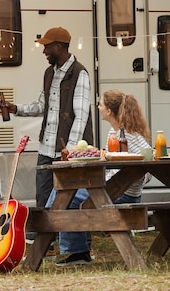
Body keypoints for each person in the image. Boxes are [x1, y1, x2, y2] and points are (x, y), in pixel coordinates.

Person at [51, 89, 151, 267]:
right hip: (117, 190)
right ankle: (76, 249)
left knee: (66, 196)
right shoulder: (116, 133)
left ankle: (74, 250)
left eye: (101, 104)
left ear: (109, 111)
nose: (98, 107)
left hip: (122, 194)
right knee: (65, 194)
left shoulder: (126, 135)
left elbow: (145, 164)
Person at [0, 27, 93, 208]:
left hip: (67, 152)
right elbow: (42, 105)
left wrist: (70, 151)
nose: (44, 51)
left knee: (69, 201)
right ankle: (46, 237)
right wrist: (15, 108)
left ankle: (73, 237)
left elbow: (80, 117)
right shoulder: (49, 73)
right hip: (46, 149)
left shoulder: (79, 73)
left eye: (47, 47)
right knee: (43, 200)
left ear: (59, 47)